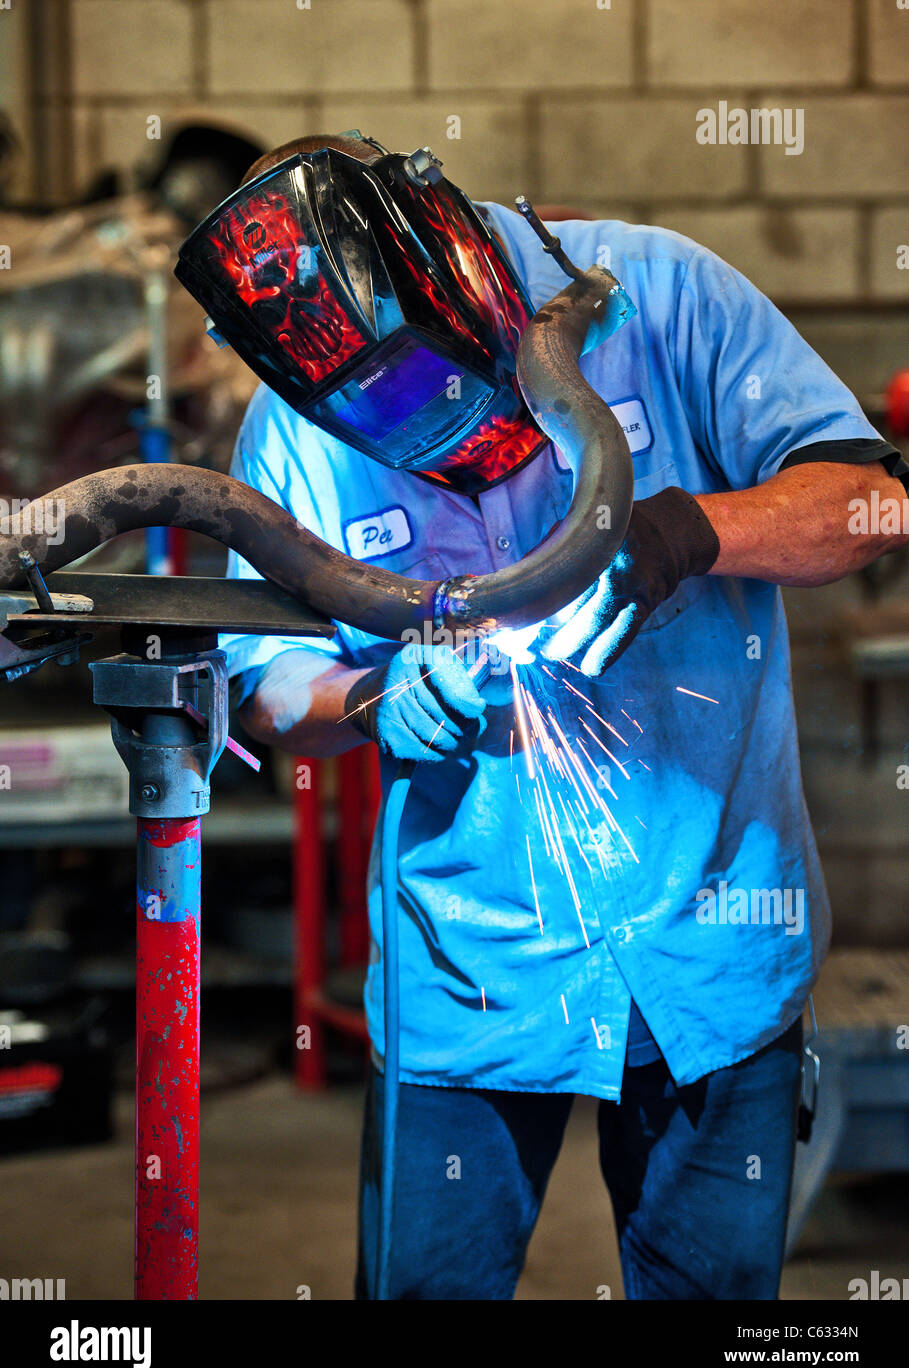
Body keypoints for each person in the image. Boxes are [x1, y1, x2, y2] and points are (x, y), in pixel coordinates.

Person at [178, 132, 907, 1300]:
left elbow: (872, 506)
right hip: (469, 969)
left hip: (710, 941)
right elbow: (270, 687)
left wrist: (685, 534)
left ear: (458, 262)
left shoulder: (662, 296)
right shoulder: (294, 424)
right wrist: (374, 698)